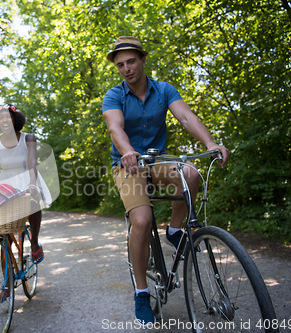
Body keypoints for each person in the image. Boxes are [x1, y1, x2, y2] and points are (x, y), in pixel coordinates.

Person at [102, 36, 229, 327]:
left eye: (131, 61)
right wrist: (128, 151)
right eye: (120, 64)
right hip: (128, 164)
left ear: (143, 60)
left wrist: (210, 142)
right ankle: (141, 292)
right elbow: (115, 127)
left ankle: (174, 230)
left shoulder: (164, 90)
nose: (126, 68)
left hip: (157, 160)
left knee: (191, 173)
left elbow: (185, 117)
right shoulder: (114, 95)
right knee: (143, 221)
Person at [0, 104, 52, 274]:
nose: (5, 120)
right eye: (1, 117)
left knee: (33, 200)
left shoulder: (28, 138)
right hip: (6, 183)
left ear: (14, 119)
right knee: (5, 237)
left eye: (8, 116)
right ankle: (7, 285)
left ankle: (34, 242)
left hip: (28, 177)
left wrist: (32, 184)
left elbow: (32, 163)